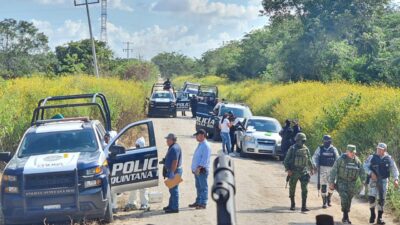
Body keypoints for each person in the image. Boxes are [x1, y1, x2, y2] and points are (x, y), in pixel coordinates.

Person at [364, 143, 399, 224]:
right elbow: (365, 166)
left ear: (385, 150)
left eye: (380, 149)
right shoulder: (371, 157)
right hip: (373, 180)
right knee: (372, 197)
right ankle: (372, 214)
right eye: (378, 149)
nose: (378, 150)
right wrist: (370, 173)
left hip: (383, 181)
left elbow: (394, 169)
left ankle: (379, 218)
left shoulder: (389, 158)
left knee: (382, 199)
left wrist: (396, 179)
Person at [329, 145, 365, 224]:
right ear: (347, 151)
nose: (353, 154)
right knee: (344, 197)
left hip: (352, 183)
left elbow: (362, 171)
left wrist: (363, 181)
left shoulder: (357, 161)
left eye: (354, 152)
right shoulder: (340, 160)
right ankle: (345, 216)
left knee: (349, 199)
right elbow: (333, 171)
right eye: (351, 152)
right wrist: (331, 182)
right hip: (342, 182)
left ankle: (346, 215)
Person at [284, 132, 315, 212]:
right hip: (293, 172)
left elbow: (309, 159)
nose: (303, 142)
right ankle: (292, 204)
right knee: (292, 189)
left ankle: (304, 206)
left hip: (303, 172)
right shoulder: (292, 149)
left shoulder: (306, 149)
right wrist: (288, 170)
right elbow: (286, 160)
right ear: (297, 140)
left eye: (304, 141)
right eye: (301, 140)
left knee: (305, 190)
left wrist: (311, 168)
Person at [312, 135, 340, 209]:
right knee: (323, 186)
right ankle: (324, 202)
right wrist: (315, 165)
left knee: (332, 186)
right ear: (323, 141)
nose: (326, 142)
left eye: (328, 141)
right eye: (325, 141)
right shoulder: (320, 148)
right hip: (322, 169)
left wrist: (338, 168)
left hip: (332, 170)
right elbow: (314, 157)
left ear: (330, 141)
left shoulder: (334, 149)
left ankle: (329, 198)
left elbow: (338, 159)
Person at [125, 137, 150, 211]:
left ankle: (144, 204)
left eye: (138, 146)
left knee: (143, 189)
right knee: (133, 188)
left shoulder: (145, 152)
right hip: (134, 172)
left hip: (142, 173)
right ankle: (132, 203)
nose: (136, 146)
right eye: (136, 145)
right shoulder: (133, 149)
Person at [189, 129, 212, 210]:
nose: (196, 137)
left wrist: (198, 168)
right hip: (197, 170)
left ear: (202, 135)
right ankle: (198, 201)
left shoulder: (206, 146)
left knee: (203, 187)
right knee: (198, 187)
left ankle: (203, 203)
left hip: (201, 170)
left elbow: (204, 160)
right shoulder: (201, 144)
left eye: (197, 135)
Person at [163, 133, 183, 213]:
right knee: (171, 189)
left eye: (168, 140)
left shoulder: (174, 148)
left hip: (175, 171)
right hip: (174, 170)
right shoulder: (173, 147)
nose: (166, 141)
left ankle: (174, 208)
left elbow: (175, 161)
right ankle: (171, 205)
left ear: (172, 140)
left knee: (174, 190)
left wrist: (171, 172)